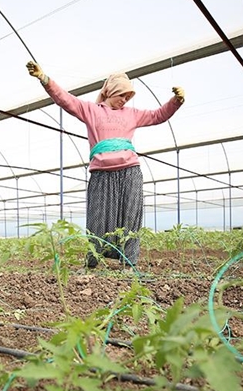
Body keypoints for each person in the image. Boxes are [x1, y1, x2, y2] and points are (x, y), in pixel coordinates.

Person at [26, 61, 184, 268]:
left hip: (130, 171)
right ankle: (92, 263)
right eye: (122, 95)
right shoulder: (92, 111)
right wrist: (45, 79)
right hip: (101, 173)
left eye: (128, 97)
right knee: (97, 219)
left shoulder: (132, 114)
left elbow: (158, 116)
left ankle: (128, 265)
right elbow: (65, 99)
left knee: (131, 218)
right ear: (111, 91)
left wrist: (176, 101)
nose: (125, 100)